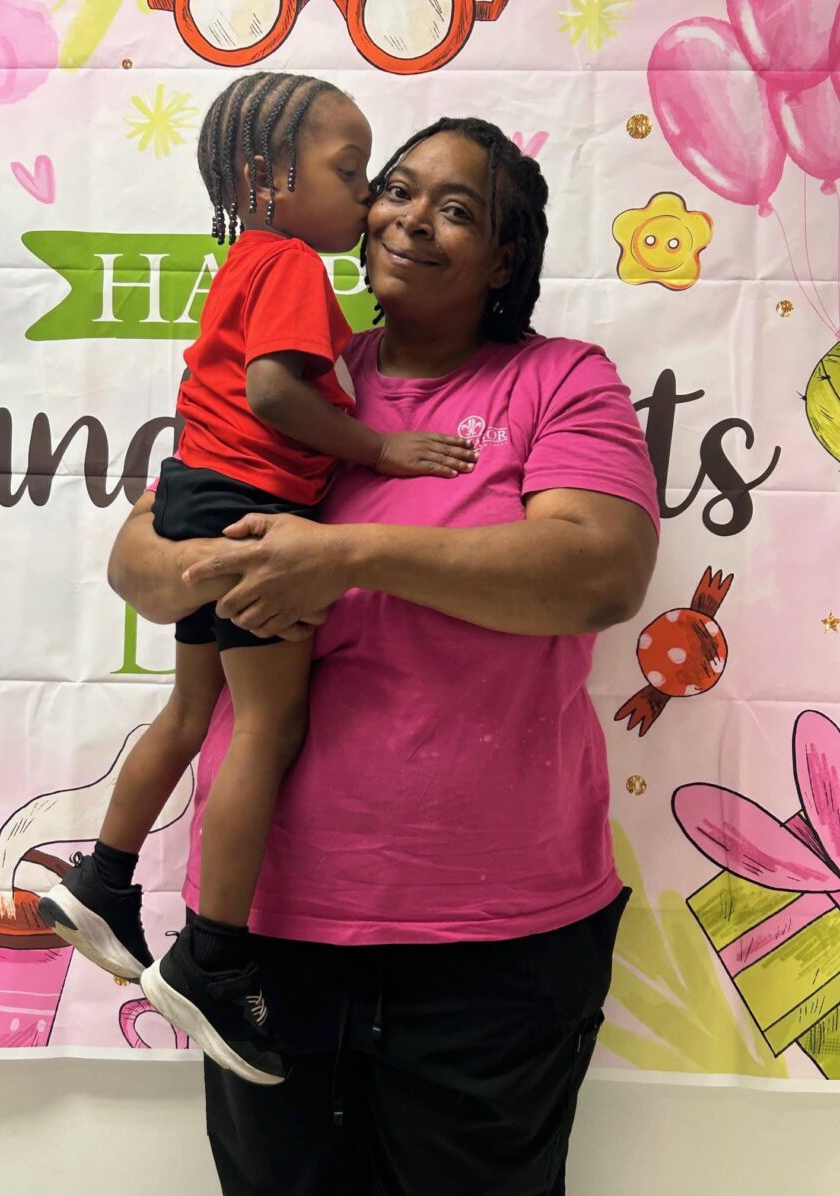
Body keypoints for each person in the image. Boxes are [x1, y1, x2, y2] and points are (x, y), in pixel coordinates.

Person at [107, 114, 660, 1194]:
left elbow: (599, 571)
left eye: (458, 208)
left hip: (496, 946)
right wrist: (203, 568)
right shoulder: (298, 380)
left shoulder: (559, 381)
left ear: (505, 258)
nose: (410, 217)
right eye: (395, 189)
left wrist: (347, 552)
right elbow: (139, 553)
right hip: (259, 934)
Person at [39, 71, 477, 1086]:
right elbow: (276, 389)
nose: (370, 200)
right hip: (247, 504)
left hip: (197, 490)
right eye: (353, 172)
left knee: (194, 711)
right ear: (262, 175)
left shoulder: (247, 255)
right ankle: (214, 953)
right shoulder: (290, 266)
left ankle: (102, 881)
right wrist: (378, 447)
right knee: (267, 726)